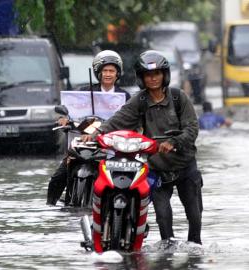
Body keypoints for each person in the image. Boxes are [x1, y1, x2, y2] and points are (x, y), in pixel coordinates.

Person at [82, 50, 203, 245]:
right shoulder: (140, 100)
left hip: (185, 166)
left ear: (164, 75)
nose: (153, 79)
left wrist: (173, 142)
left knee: (194, 216)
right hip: (158, 169)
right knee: (163, 217)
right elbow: (118, 119)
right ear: (142, 78)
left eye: (157, 74)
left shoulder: (178, 97)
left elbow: (192, 128)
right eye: (148, 75)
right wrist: (96, 134)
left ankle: (195, 250)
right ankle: (167, 251)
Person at [46, 50, 130, 206]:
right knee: (57, 178)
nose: (108, 74)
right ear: (98, 72)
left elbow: (131, 120)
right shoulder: (82, 92)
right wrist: (63, 120)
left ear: (118, 73)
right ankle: (51, 206)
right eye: (104, 70)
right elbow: (69, 112)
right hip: (81, 145)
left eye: (111, 71)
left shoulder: (125, 97)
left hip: (110, 147)